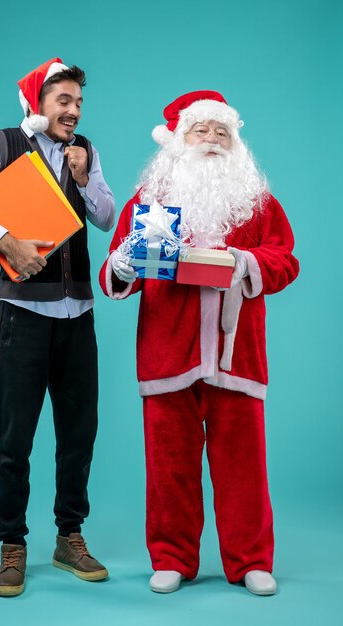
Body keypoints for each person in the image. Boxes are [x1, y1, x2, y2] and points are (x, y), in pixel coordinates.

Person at [99, 91, 299, 595]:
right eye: (200, 131)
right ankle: (172, 557)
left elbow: (285, 260)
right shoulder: (147, 203)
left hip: (238, 355)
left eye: (221, 132)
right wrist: (120, 265)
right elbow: (115, 275)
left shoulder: (258, 202)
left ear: (236, 143)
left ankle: (251, 560)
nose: (212, 141)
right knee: (169, 467)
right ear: (175, 142)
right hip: (168, 353)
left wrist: (244, 263)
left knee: (244, 467)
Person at [0, 57, 115, 596]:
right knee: (14, 436)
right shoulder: (2, 144)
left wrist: (85, 181)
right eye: (64, 101)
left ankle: (70, 537)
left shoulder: (85, 151)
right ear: (38, 103)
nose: (73, 112)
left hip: (78, 314)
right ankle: (12, 544)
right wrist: (3, 239)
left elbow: (107, 217)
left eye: (79, 103)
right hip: (22, 316)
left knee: (78, 435)